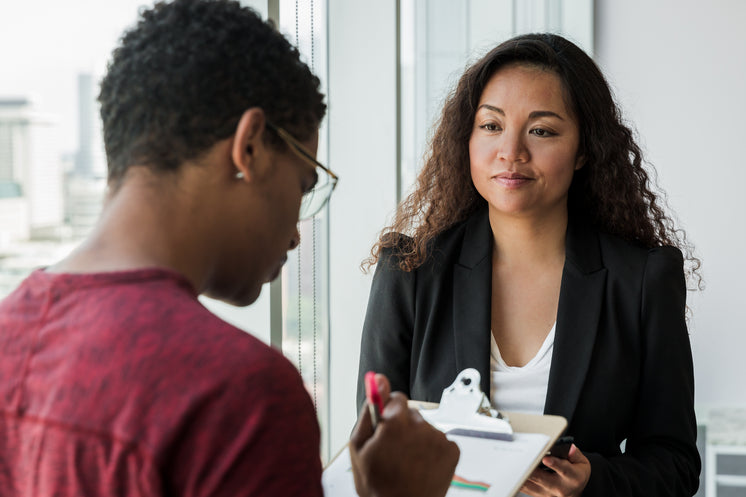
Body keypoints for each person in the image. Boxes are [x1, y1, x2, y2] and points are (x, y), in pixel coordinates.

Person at [0, 1, 459, 496]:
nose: (295, 235)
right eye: (303, 187)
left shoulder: (11, 336)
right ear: (251, 147)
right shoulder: (239, 398)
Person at [357, 33, 700, 497]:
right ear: (468, 137)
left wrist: (593, 481)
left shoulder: (641, 280)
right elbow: (370, 452)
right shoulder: (410, 272)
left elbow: (674, 464)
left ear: (583, 149)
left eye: (541, 130)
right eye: (491, 125)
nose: (511, 151)